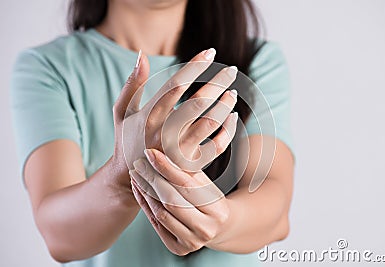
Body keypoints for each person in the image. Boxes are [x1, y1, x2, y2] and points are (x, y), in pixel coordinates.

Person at [10, 0, 294, 266]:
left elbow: (276, 210)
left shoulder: (256, 60)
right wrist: (121, 176)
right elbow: (58, 235)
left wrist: (221, 222)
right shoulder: (49, 67)